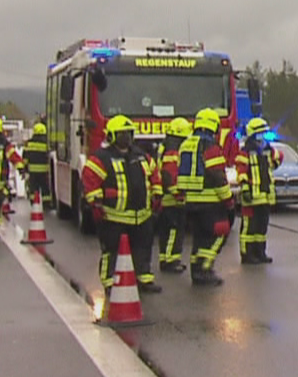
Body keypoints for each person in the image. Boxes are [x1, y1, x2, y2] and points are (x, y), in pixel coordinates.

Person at [82, 115, 162, 295]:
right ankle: (110, 282)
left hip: (142, 215)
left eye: (128, 133)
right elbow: (89, 180)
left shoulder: (141, 156)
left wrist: (157, 194)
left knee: (143, 247)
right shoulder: (101, 158)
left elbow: (154, 176)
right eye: (121, 134)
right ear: (111, 136)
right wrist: (96, 203)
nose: (125, 137)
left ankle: (144, 278)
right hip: (112, 216)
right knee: (111, 250)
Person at [175, 109, 233, 286]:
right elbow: (217, 175)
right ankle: (205, 270)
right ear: (214, 125)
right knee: (217, 235)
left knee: (199, 238)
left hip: (190, 201)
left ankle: (196, 270)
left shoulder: (185, 144)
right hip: (210, 202)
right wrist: (228, 199)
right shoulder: (211, 147)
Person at [236, 117, 280, 265]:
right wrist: (245, 188)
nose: (263, 137)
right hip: (251, 197)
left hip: (265, 196)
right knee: (249, 228)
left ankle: (260, 253)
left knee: (261, 228)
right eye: (261, 134)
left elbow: (277, 160)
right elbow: (241, 171)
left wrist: (274, 157)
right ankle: (247, 254)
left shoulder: (267, 150)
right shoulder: (245, 151)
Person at [156, 117, 192, 274]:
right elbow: (169, 173)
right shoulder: (173, 149)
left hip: (166, 198)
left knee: (166, 232)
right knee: (174, 230)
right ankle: (170, 261)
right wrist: (177, 192)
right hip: (172, 199)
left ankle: (167, 258)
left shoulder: (165, 146)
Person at [22, 121, 52, 204]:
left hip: (32, 171)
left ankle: (34, 203)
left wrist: (24, 169)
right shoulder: (46, 143)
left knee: (33, 188)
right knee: (45, 188)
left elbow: (25, 158)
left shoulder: (29, 143)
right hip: (44, 171)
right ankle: (46, 204)